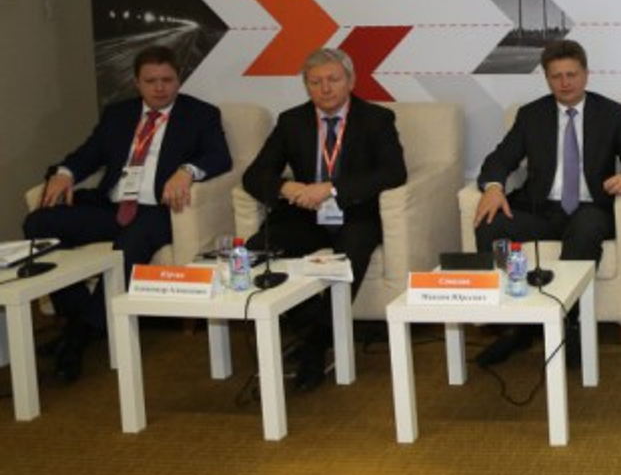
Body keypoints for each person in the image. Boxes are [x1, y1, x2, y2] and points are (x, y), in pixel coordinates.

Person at [23, 45, 231, 383]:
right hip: (112, 207)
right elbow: (88, 154)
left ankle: (76, 339)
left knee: (130, 244)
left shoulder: (200, 114)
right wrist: (65, 173)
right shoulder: (118, 114)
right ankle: (81, 318)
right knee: (38, 223)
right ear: (137, 83)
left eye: (167, 80)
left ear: (178, 79)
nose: (159, 88)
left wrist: (187, 170)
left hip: (157, 211)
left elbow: (220, 156)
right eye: (151, 81)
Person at [471, 39, 621, 367]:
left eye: (571, 74)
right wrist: (494, 187)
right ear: (547, 78)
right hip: (541, 210)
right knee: (491, 223)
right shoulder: (531, 115)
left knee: (586, 228)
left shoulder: (611, 113)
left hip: (590, 208)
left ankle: (570, 324)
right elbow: (499, 159)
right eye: (556, 76)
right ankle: (513, 325)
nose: (565, 82)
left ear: (586, 74)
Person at [241, 47, 406, 391]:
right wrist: (286, 187)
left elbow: (393, 171)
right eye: (315, 82)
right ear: (306, 85)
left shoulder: (376, 118)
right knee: (257, 252)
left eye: (333, 79)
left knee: (350, 255)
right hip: (304, 214)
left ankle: (314, 347)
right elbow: (254, 175)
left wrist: (332, 188)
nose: (325, 88)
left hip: (355, 213)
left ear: (351, 81)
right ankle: (311, 327)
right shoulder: (291, 121)